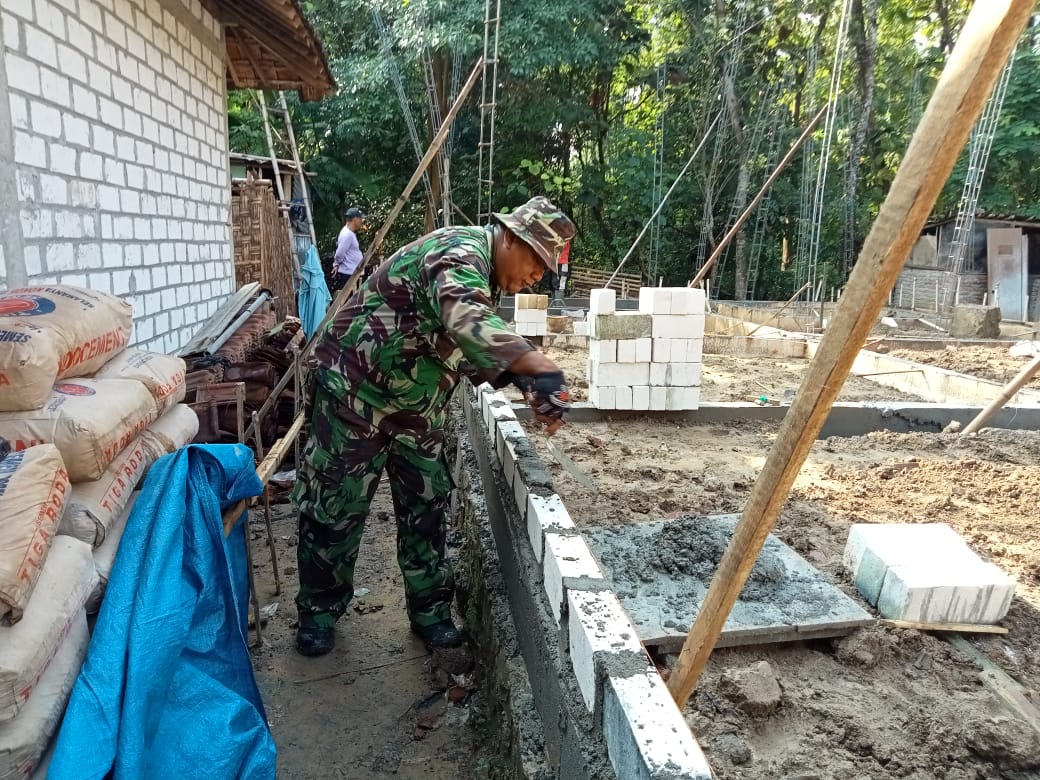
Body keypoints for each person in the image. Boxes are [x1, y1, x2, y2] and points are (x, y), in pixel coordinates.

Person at [293, 195, 576, 657]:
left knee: (425, 508)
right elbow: (466, 316)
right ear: (508, 237)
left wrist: (526, 383)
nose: (537, 275)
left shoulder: (487, 278)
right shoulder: (459, 252)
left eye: (546, 267)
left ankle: (431, 613)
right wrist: (539, 362)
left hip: (416, 408)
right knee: (334, 509)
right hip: (353, 394)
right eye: (536, 259)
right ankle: (318, 613)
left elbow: (464, 346)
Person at [330, 207, 365, 291]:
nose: (361, 221)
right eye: (360, 219)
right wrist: (337, 263)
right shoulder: (347, 234)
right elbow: (339, 253)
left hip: (352, 272)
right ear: (355, 219)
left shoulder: (349, 233)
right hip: (349, 273)